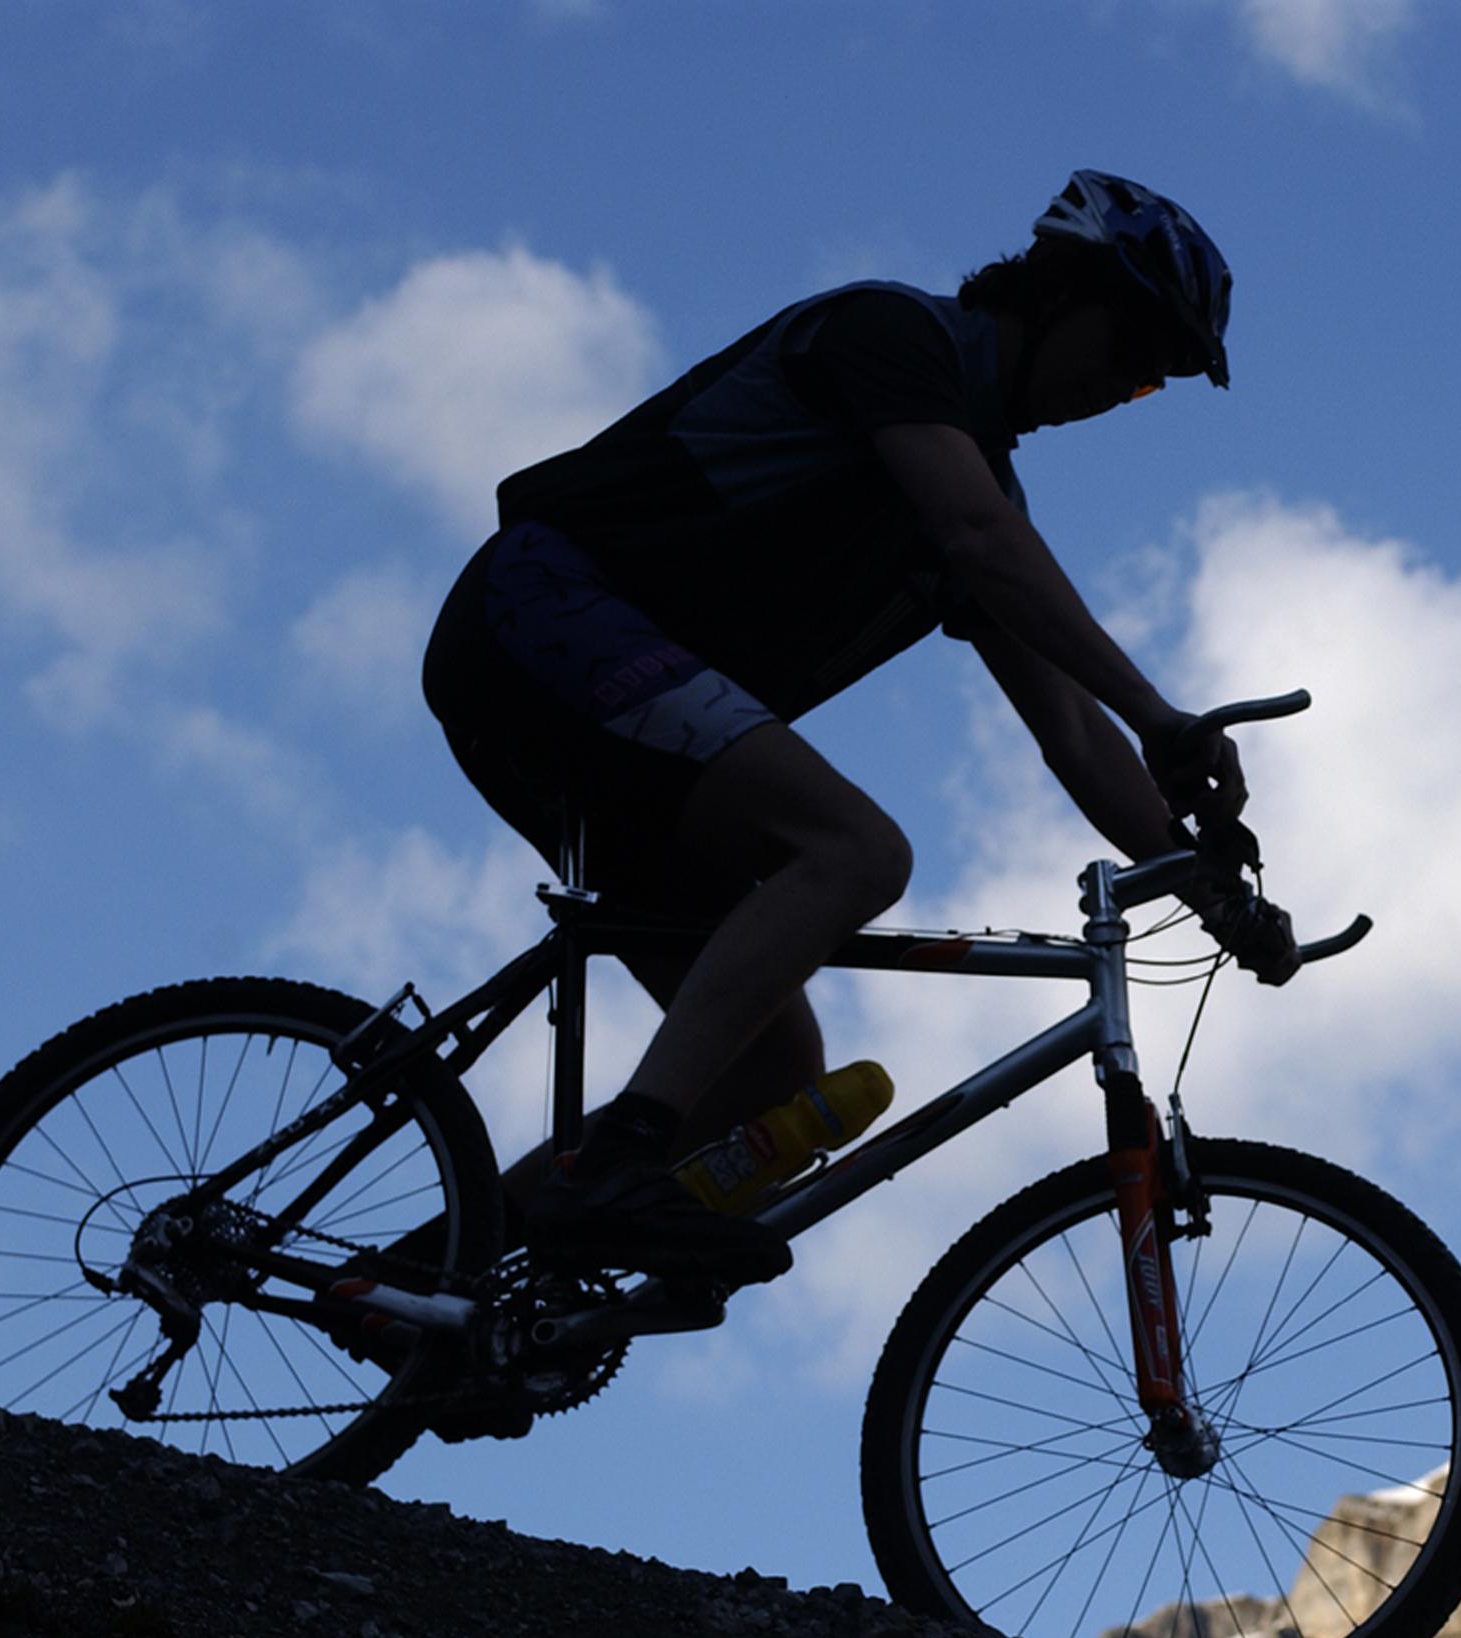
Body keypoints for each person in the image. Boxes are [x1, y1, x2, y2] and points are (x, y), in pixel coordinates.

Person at [418, 170, 1296, 1290]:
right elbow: (980, 539)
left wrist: (1218, 897)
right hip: (540, 614)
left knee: (769, 1073)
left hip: (616, 721)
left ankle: (433, 1285)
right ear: (1060, 294)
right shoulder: (894, 336)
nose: (1123, 389)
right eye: (1132, 355)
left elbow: (1073, 736)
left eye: (1149, 387)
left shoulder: (980, 495)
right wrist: (1163, 715)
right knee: (859, 851)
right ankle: (616, 1169)